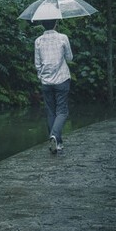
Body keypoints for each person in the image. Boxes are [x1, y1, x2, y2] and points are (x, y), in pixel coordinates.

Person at [34, 19, 73, 154]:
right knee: (62, 111)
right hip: (62, 79)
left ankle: (58, 143)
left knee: (51, 112)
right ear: (56, 23)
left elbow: (37, 64)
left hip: (46, 82)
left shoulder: (38, 41)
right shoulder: (63, 38)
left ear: (42, 24)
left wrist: (42, 77)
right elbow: (69, 58)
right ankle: (55, 136)